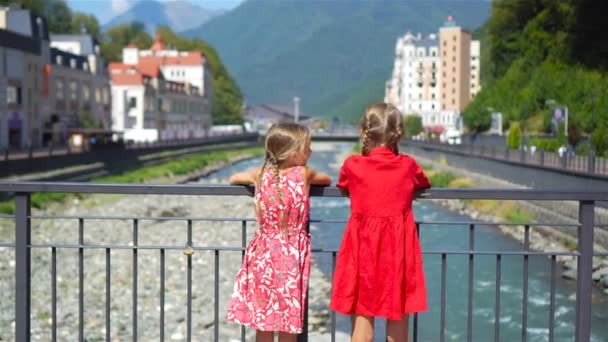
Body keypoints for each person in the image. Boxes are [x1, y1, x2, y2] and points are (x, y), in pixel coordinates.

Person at [330, 103, 431, 342]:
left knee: (363, 320)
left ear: (363, 130)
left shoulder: (353, 165)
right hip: (398, 251)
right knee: (398, 317)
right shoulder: (407, 165)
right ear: (399, 133)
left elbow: (344, 184)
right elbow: (423, 182)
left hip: (362, 248)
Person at [227, 122, 332, 342]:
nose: (311, 152)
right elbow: (327, 180)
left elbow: (234, 178)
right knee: (288, 320)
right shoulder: (304, 173)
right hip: (291, 255)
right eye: (308, 147)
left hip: (263, 254)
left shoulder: (261, 173)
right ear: (295, 153)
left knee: (263, 320)